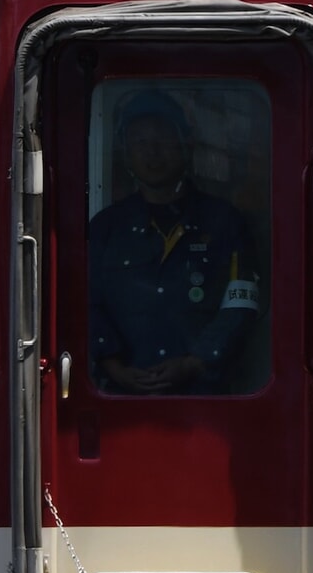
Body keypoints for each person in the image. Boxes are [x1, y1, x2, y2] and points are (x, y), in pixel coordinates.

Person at [89, 88, 261, 394]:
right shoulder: (106, 228)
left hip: (208, 399)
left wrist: (197, 361)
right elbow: (88, 303)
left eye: (163, 139)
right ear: (126, 153)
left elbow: (242, 303)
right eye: (139, 141)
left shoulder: (224, 222)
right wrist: (113, 366)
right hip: (119, 399)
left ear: (185, 145)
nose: (152, 151)